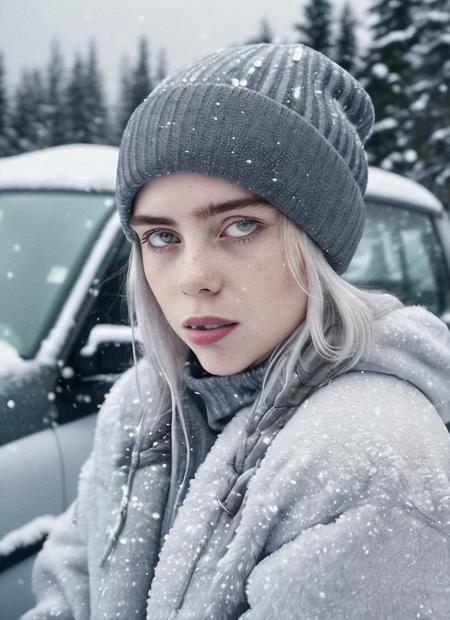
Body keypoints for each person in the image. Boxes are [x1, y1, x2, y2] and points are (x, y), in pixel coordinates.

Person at [23, 43, 450, 620]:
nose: (193, 279)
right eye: (161, 237)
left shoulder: (367, 456)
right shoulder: (145, 409)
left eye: (239, 225)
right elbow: (69, 599)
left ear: (316, 241)